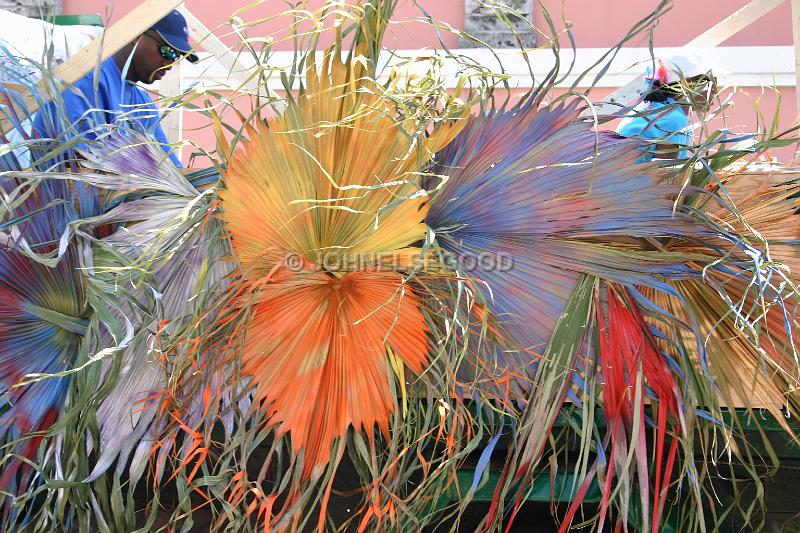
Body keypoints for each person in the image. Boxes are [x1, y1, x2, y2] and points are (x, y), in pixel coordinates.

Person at [32, 9, 198, 168]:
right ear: (138, 36)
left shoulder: (142, 103)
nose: (169, 64)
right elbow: (82, 167)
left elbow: (169, 166)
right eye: (167, 51)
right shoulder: (85, 83)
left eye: (177, 57)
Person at [615, 51, 717, 162]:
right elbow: (665, 174)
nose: (715, 91)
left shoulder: (650, 109)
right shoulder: (673, 120)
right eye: (710, 84)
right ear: (688, 85)